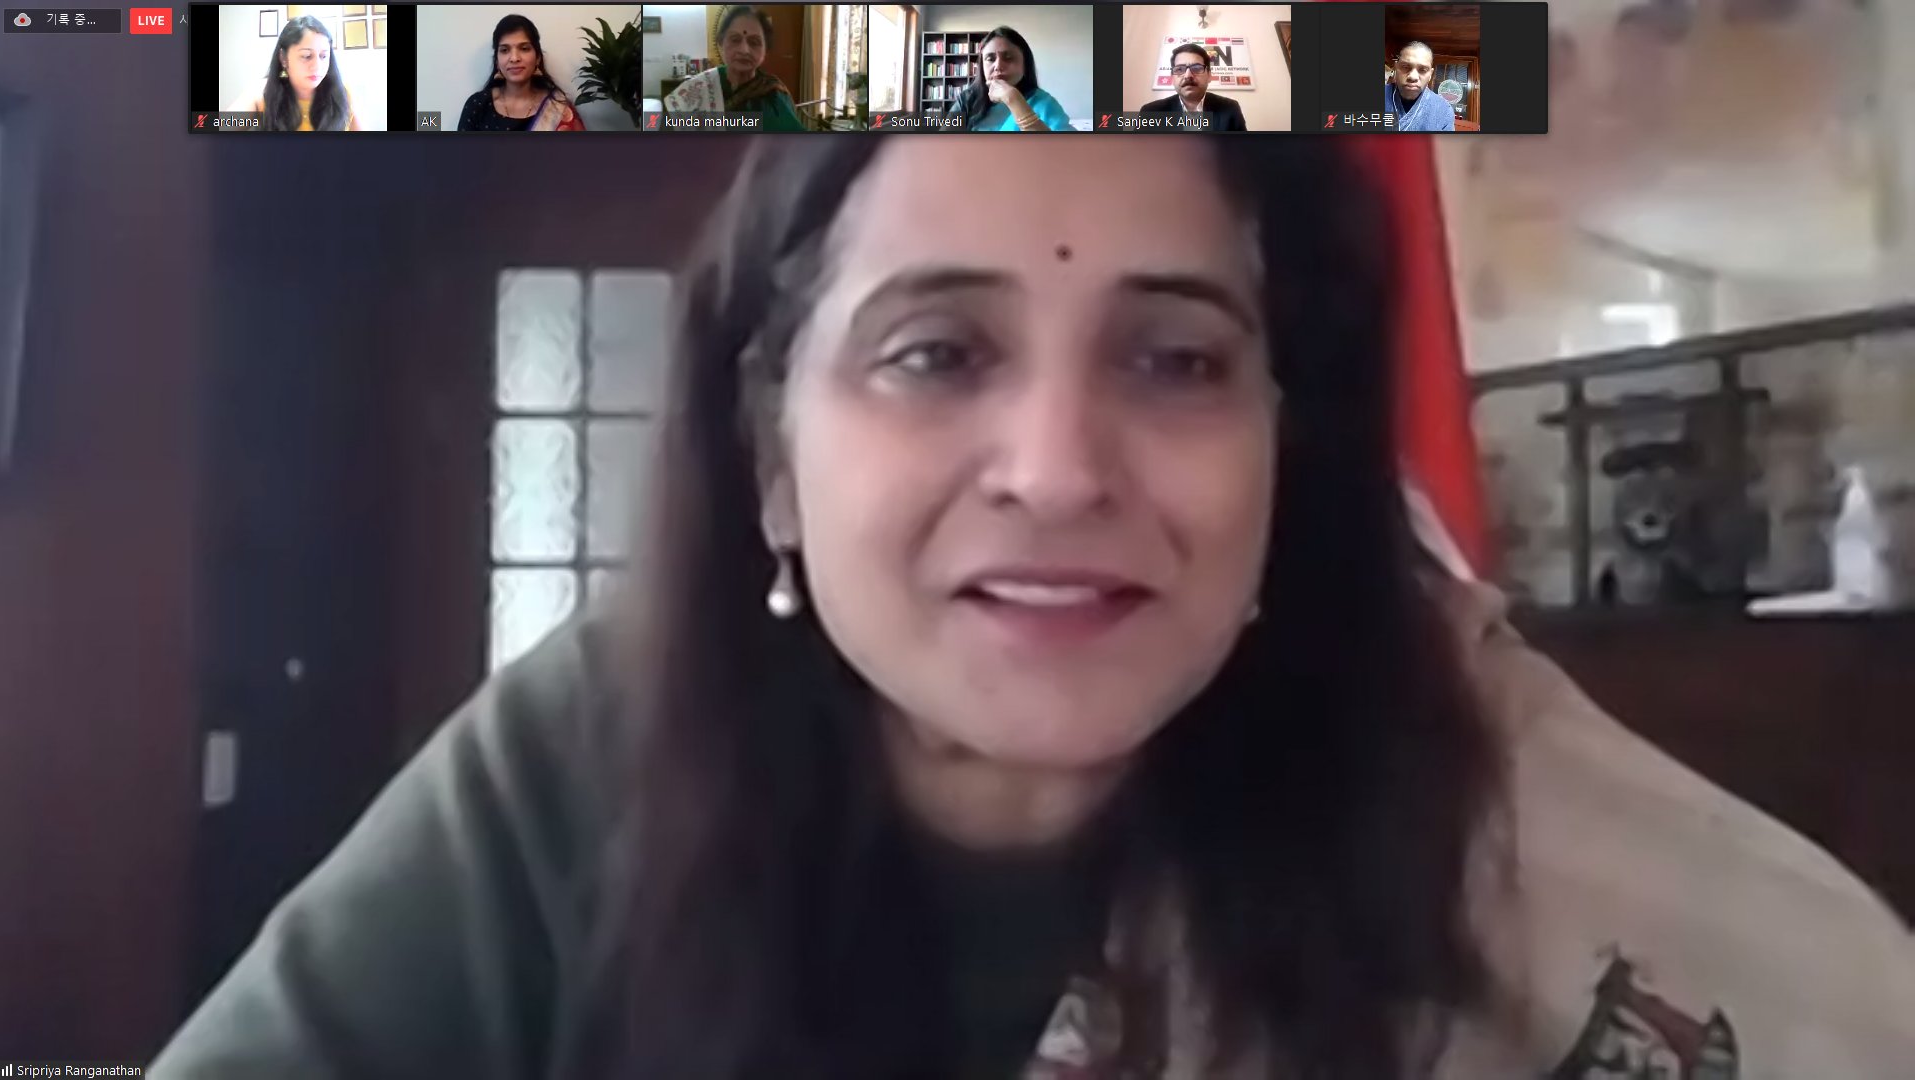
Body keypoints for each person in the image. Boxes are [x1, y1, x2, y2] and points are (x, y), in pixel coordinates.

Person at [149, 140, 1915, 1077]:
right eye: (937, 353)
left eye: (1175, 359)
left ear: (1285, 451)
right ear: (771, 462)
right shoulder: (592, 756)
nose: (1060, 469)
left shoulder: (1504, 822)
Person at [661, 5, 804, 132]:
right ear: (721, 43)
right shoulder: (698, 87)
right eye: (735, 39)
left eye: (754, 42)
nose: (744, 50)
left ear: (765, 51)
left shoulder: (773, 95)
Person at [227, 15, 360, 131]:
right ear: (283, 58)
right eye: (307, 56)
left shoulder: (342, 93)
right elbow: (221, 124)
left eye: (324, 56)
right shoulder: (263, 92)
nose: (317, 66)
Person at [456, 14, 586, 132]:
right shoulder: (478, 105)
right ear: (497, 61)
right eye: (505, 50)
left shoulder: (558, 109)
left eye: (524, 48)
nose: (514, 58)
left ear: (538, 58)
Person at [945, 26, 1072, 132]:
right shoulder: (968, 99)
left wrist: (1013, 99)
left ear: (1025, 64)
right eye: (990, 59)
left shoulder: (1044, 103)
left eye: (1009, 57)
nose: (998, 66)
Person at [1139, 42, 1248, 131]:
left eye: (1196, 68)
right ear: (1172, 78)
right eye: (1179, 69)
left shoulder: (1230, 108)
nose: (1188, 75)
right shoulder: (1151, 112)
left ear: (1209, 76)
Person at [1384, 40, 1455, 132]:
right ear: (1396, 67)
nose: (1413, 77)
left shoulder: (1444, 110)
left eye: (1423, 70)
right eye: (1405, 67)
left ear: (1430, 75)